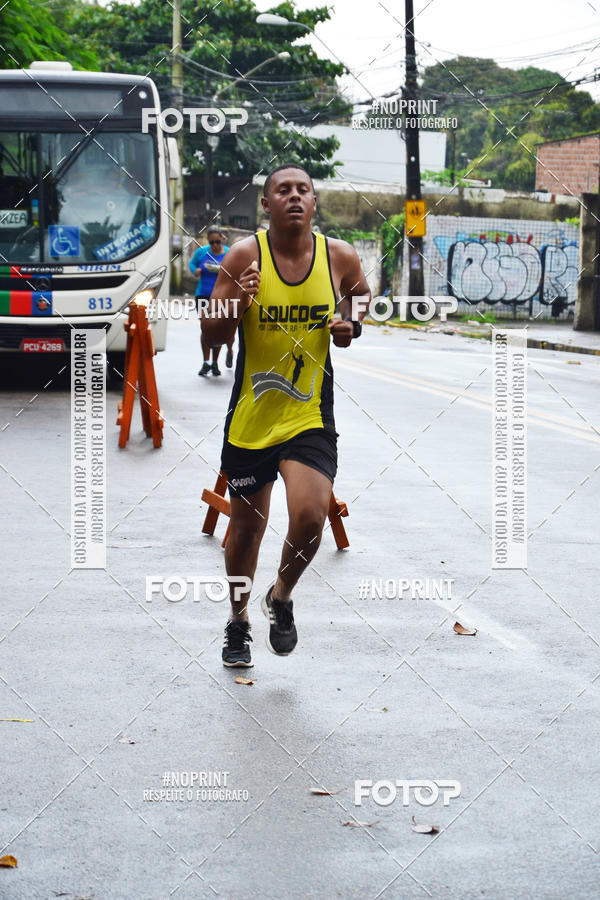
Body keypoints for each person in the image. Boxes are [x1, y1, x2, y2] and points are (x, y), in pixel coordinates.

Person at [202, 163, 371, 667]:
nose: (294, 196)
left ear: (314, 203)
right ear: (266, 204)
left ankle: (280, 595)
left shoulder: (337, 256)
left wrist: (352, 325)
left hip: (309, 415)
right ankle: (237, 621)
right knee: (247, 530)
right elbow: (211, 337)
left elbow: (361, 297)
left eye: (304, 190)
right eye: (283, 190)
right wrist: (237, 302)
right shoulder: (242, 256)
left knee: (311, 515)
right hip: (252, 417)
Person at [189, 227, 233, 376]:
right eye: (211, 242)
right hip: (203, 295)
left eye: (217, 242)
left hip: (221, 296)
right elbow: (192, 263)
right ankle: (205, 362)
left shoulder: (229, 253)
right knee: (205, 328)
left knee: (218, 329)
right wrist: (195, 270)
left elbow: (236, 269)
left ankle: (215, 363)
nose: (214, 245)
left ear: (222, 239)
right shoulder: (202, 252)